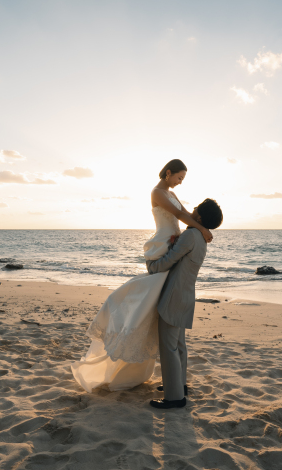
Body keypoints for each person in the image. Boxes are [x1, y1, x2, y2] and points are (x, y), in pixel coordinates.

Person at [71, 159, 214, 392]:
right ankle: (174, 382)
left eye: (182, 179)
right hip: (163, 242)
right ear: (168, 173)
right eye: (179, 178)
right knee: (152, 289)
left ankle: (175, 383)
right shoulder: (157, 192)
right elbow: (179, 214)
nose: (180, 183)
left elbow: (186, 213)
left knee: (164, 309)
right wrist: (202, 229)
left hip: (173, 240)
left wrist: (194, 228)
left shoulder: (171, 194)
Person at [146, 198, 223, 409]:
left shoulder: (191, 235)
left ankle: (175, 398)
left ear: (199, 216)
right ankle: (179, 385)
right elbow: (181, 259)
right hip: (187, 295)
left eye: (197, 207)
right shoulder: (200, 237)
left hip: (174, 296)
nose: (193, 208)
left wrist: (150, 264)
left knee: (168, 347)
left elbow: (168, 262)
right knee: (179, 345)